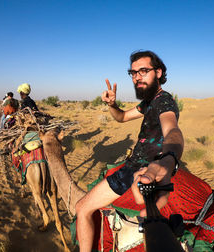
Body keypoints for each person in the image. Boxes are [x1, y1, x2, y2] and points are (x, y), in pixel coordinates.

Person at [75, 50, 184, 252]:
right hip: (136, 164)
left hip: (138, 170)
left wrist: (169, 159)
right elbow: (122, 117)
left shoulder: (164, 102)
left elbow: (173, 130)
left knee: (81, 208)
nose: (137, 77)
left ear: (158, 72)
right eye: (133, 73)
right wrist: (112, 105)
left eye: (143, 71)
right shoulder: (149, 102)